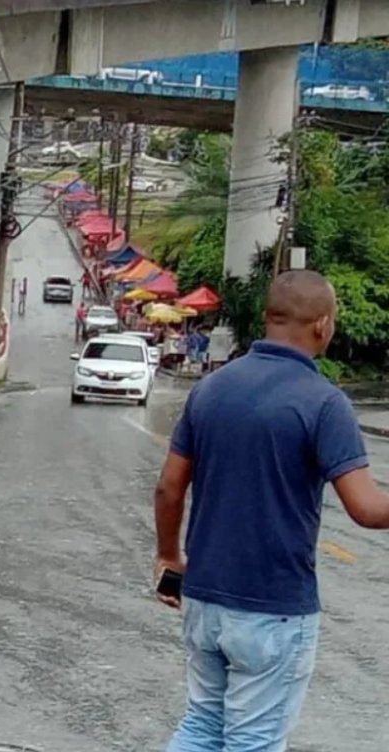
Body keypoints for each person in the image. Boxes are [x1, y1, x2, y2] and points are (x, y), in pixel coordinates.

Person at [153, 270, 389, 751]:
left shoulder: (211, 389)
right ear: (322, 325)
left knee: (201, 725)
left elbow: (168, 488)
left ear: (267, 318)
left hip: (204, 596)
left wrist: (168, 556)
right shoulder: (324, 403)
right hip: (272, 608)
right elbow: (366, 509)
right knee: (253, 742)